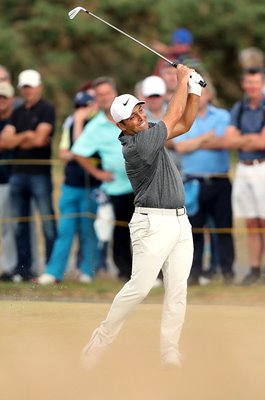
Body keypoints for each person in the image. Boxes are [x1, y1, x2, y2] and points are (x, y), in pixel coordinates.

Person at [80, 65, 202, 370]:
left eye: (140, 110)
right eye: (133, 117)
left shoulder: (150, 133)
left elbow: (185, 123)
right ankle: (101, 338)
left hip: (179, 221)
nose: (140, 117)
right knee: (140, 287)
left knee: (177, 289)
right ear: (122, 125)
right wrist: (182, 81)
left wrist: (195, 91)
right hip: (152, 222)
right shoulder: (135, 146)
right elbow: (174, 116)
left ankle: (170, 352)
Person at [72, 76, 134, 282]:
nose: (104, 97)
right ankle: (126, 274)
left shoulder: (131, 115)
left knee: (147, 233)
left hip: (141, 185)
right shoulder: (96, 125)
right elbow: (78, 151)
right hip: (116, 188)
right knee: (121, 233)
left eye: (107, 93)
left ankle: (155, 274)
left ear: (114, 93)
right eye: (100, 95)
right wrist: (98, 174)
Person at [36, 91, 101, 285]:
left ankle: (87, 271)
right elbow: (64, 153)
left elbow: (81, 149)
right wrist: (75, 153)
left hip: (91, 187)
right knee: (65, 231)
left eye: (86, 106)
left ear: (94, 106)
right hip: (70, 185)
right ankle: (54, 272)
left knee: (87, 230)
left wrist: (79, 125)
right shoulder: (70, 123)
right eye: (78, 107)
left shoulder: (98, 125)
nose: (81, 111)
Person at [174, 81, 235, 285]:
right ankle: (194, 273)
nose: (199, 97)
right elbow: (180, 147)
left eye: (202, 93)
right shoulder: (186, 118)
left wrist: (195, 143)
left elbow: (224, 142)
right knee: (194, 231)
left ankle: (227, 272)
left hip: (219, 181)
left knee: (223, 229)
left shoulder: (223, 116)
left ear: (209, 95)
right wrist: (206, 138)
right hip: (193, 183)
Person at [0, 69, 57, 282]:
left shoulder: (47, 109)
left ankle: (51, 269)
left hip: (39, 174)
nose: (28, 91)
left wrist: (19, 137)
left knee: (47, 222)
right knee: (19, 224)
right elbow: (5, 143)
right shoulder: (17, 112)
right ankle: (24, 270)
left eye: (31, 86)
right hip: (18, 174)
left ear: (39, 87)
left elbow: (40, 140)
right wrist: (27, 134)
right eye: (25, 87)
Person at [224, 67, 265, 285]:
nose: (252, 86)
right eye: (248, 82)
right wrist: (251, 138)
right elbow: (229, 140)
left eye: (256, 82)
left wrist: (242, 138)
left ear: (262, 84)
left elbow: (263, 142)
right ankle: (254, 268)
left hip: (262, 168)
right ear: (244, 84)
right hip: (243, 167)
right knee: (251, 221)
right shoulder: (239, 108)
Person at [0, 82, 17, 279]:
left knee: (9, 226)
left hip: (9, 179)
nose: (0, 102)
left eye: (3, 98)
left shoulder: (15, 118)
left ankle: (10, 267)